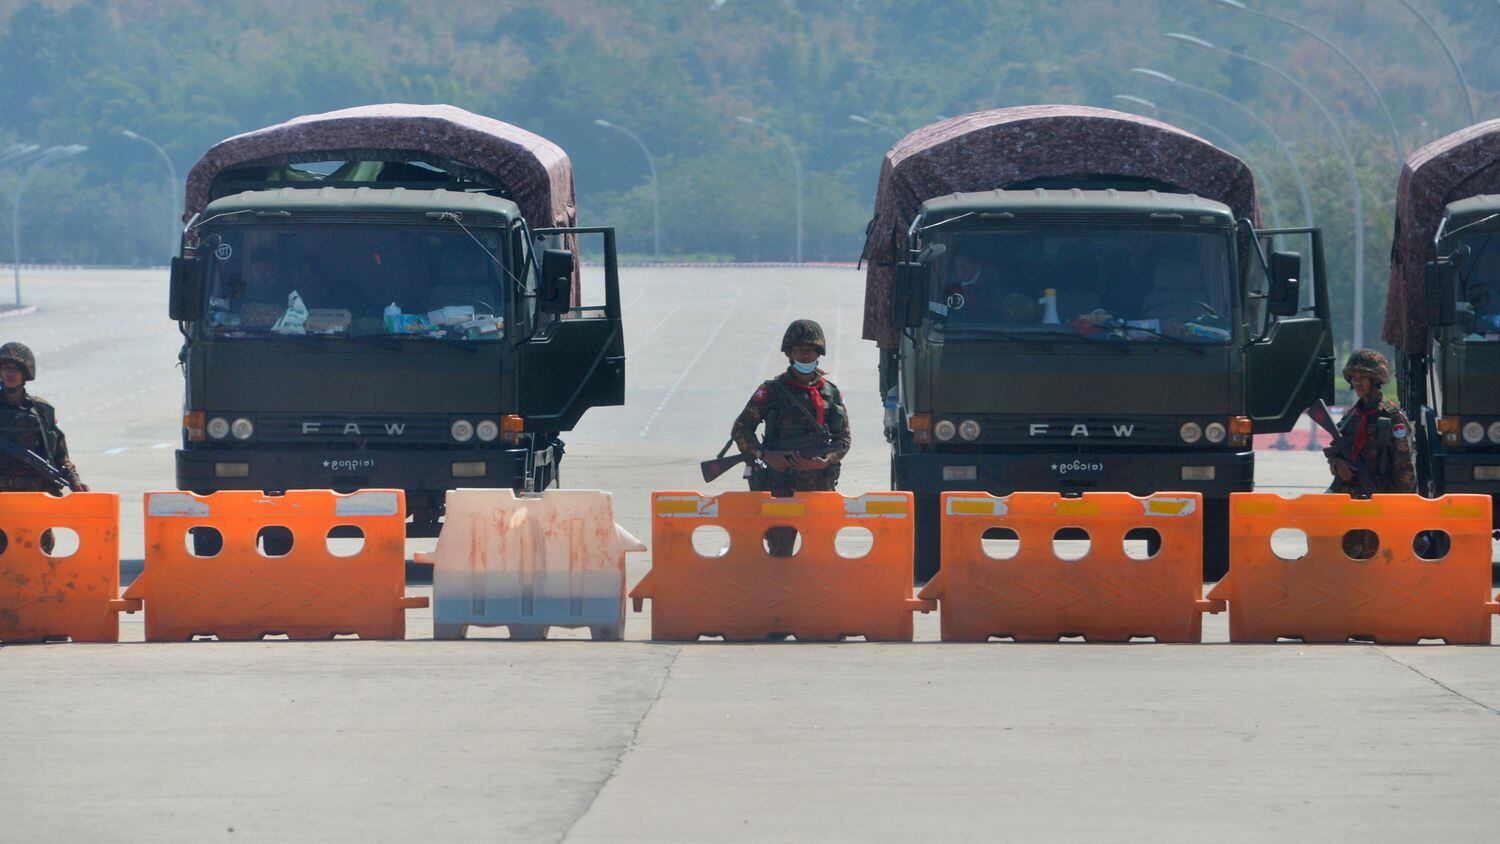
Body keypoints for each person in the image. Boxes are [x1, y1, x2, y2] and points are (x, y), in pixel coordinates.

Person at [730, 319, 851, 556]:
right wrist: (765, 454)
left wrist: (825, 460)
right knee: (780, 549)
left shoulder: (831, 392)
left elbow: (843, 439)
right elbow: (741, 428)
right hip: (780, 483)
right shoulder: (772, 391)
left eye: (810, 351)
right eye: (799, 351)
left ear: (819, 354)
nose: (805, 356)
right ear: (789, 354)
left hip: (820, 485)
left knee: (820, 550)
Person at [1325, 349, 1414, 558]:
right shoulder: (1351, 417)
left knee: (1380, 558)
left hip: (1381, 499)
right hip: (1350, 502)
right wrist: (1338, 466)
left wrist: (1398, 508)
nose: (1357, 382)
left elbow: (1405, 468)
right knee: (1348, 559)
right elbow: (1334, 451)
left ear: (1375, 379)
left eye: (1363, 377)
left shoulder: (1392, 417)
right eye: (1354, 377)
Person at [0, 341, 85, 493]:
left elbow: (59, 453)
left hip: (35, 493)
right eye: (5, 368)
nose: (9, 374)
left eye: (15, 369)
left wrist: (73, 479)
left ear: (25, 373)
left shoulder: (41, 410)